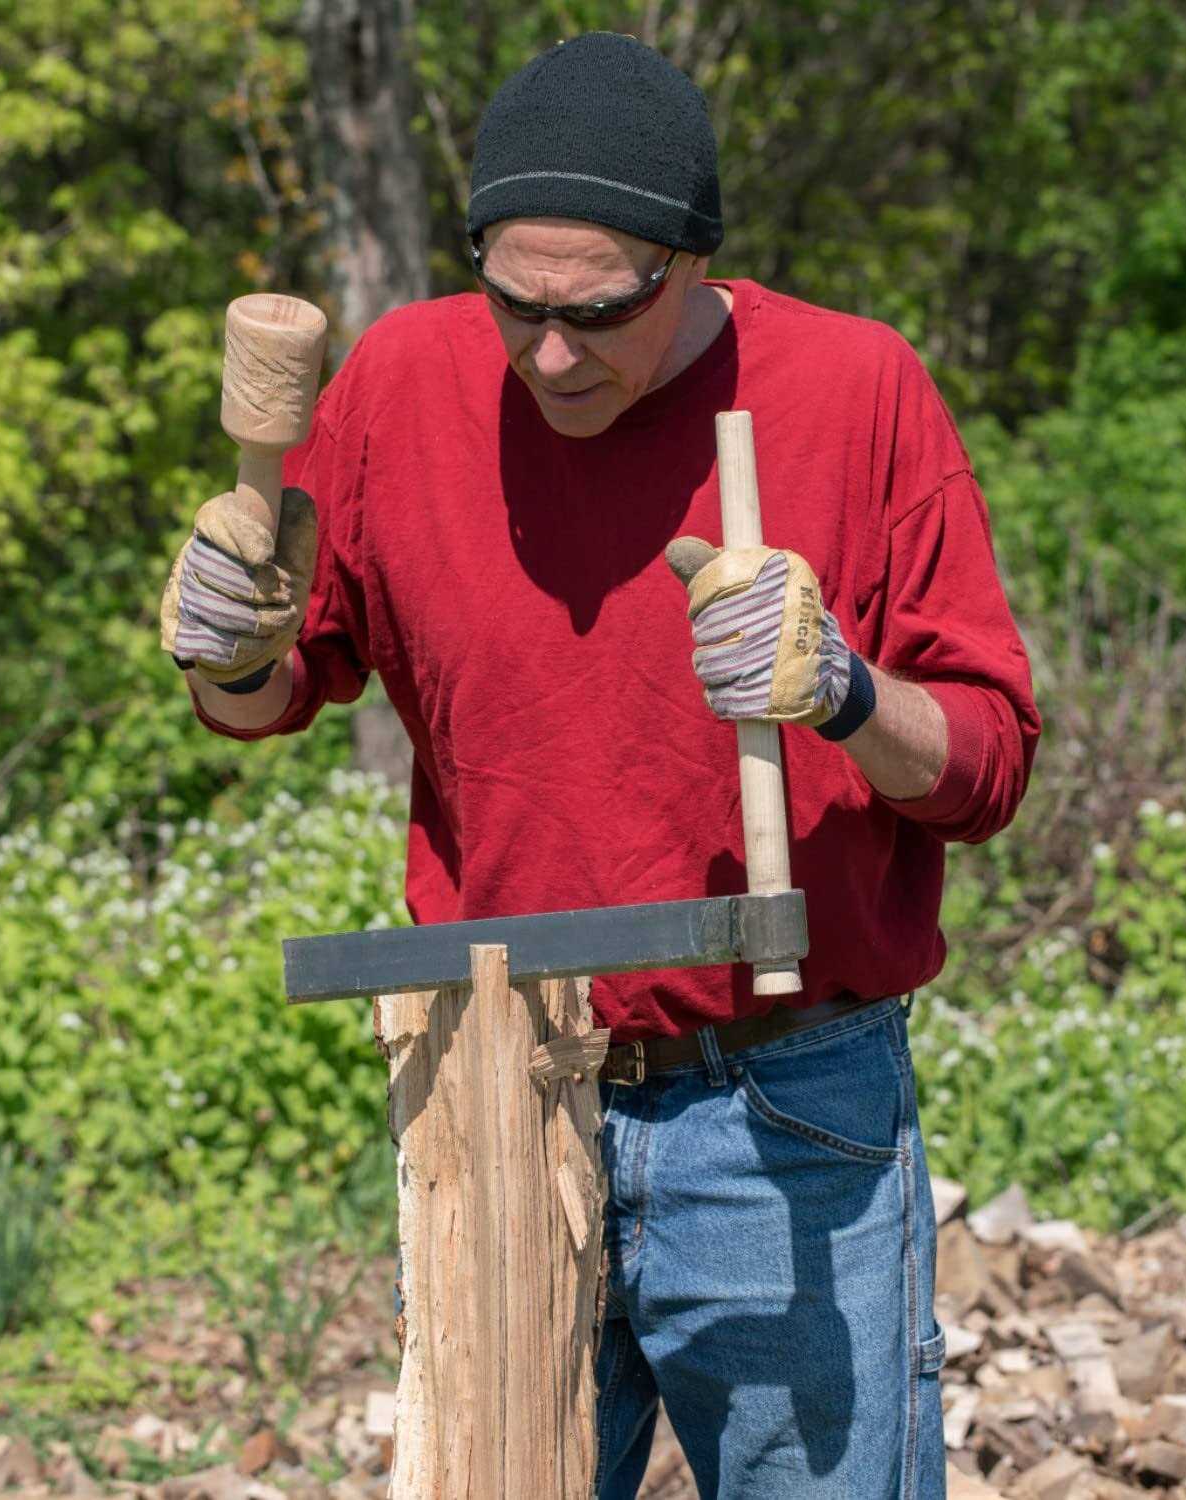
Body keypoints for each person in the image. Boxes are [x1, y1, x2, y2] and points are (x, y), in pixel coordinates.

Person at [160, 31, 1040, 1500]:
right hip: (492, 1087)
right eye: (517, 305)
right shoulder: (402, 380)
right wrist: (223, 645)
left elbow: (988, 765)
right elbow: (263, 696)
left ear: (691, 264)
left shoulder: (855, 390)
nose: (552, 354)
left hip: (780, 1108)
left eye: (600, 311)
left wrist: (839, 690)